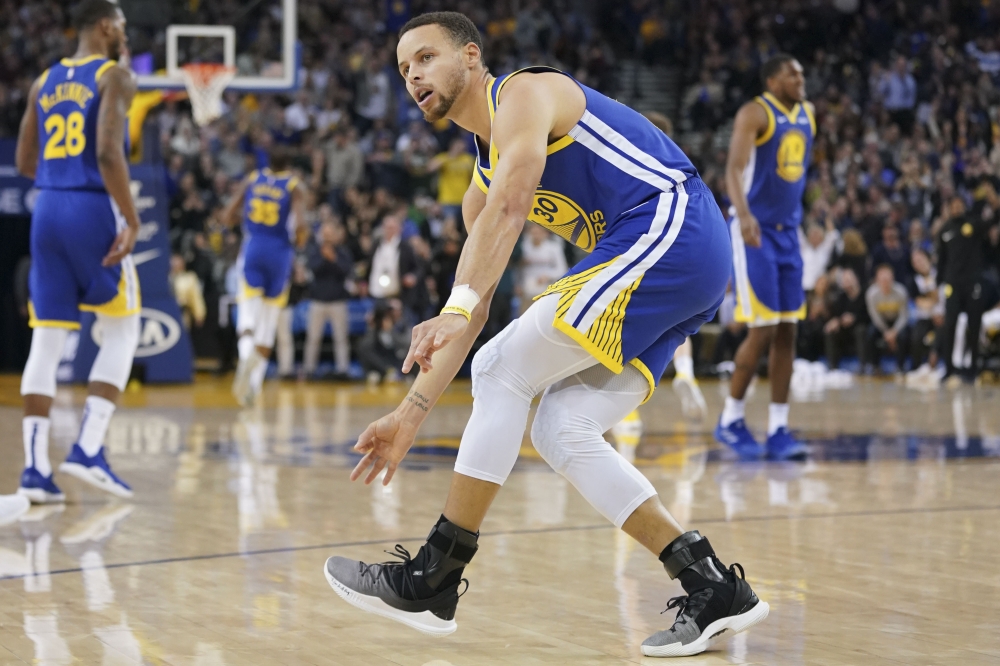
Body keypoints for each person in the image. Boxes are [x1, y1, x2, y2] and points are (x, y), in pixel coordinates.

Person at [323, 12, 767, 658]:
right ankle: (709, 584)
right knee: (562, 427)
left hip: (671, 226)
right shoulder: (477, 190)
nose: (413, 75)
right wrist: (410, 413)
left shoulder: (526, 93)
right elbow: (469, 317)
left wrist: (460, 301)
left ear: (471, 57)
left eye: (424, 58)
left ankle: (434, 577)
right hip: (674, 269)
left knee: (503, 367)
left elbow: (510, 212)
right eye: (403, 70)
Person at [11, 0, 140, 503]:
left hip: (47, 207)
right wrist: (130, 216)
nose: (125, 36)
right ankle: (88, 447)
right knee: (124, 328)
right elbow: (109, 152)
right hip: (91, 207)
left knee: (46, 340)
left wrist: (58, 177)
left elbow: (25, 160)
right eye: (123, 27)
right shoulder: (115, 76)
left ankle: (35, 471)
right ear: (106, 26)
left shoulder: (43, 82)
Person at [715, 54, 814, 460]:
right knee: (762, 329)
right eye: (792, 72)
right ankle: (731, 418)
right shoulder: (756, 112)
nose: (800, 77)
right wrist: (745, 216)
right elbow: (733, 170)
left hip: (789, 233)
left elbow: (795, 175)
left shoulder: (808, 114)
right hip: (754, 233)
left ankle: (778, 429)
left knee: (789, 329)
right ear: (772, 79)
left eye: (801, 72)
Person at [223, 149, 305, 407]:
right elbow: (301, 226)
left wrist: (243, 219)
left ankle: (244, 361)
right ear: (289, 166)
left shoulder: (252, 179)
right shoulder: (294, 186)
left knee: (248, 320)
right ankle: (254, 386)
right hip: (279, 254)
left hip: (254, 247)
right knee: (268, 326)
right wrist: (299, 242)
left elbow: (226, 215)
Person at [937, 195, 992, 384]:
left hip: (972, 283)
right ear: (949, 208)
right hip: (952, 285)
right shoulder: (944, 230)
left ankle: (973, 368)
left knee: (974, 326)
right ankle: (949, 368)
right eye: (954, 205)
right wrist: (940, 284)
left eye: (960, 204)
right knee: (949, 325)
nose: (957, 207)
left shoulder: (973, 225)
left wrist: (993, 201)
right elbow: (941, 260)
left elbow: (993, 220)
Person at [304, 221, 354, 379]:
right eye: (325, 233)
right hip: (317, 301)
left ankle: (342, 369)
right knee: (313, 338)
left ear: (335, 235)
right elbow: (313, 268)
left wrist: (332, 258)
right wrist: (325, 258)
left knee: (341, 338)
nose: (327, 237)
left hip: (338, 301)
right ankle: (309, 369)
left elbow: (346, 270)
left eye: (330, 233)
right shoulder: (315, 251)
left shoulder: (343, 252)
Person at [864, 264, 910, 373]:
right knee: (870, 333)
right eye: (882, 279)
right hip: (881, 323)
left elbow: (904, 316)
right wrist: (886, 331)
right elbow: (875, 317)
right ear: (877, 280)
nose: (885, 282)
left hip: (897, 322)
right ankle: (875, 366)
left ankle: (900, 366)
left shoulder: (901, 291)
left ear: (892, 278)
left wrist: (894, 331)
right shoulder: (871, 294)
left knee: (904, 335)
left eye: (887, 279)